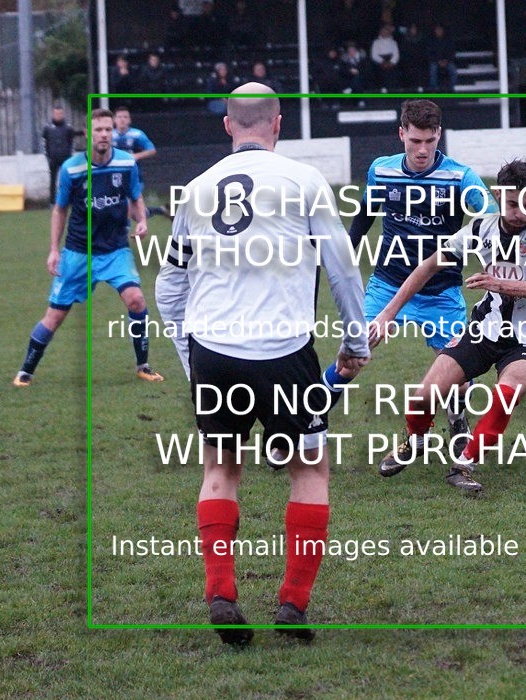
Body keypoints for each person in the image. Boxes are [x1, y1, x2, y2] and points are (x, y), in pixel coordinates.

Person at [154, 83, 370, 644]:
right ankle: (293, 606)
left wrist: (190, 358)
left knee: (220, 470)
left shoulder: (197, 190)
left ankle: (221, 592)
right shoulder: (304, 181)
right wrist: (356, 343)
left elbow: (169, 287)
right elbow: (343, 270)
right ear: (278, 124)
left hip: (214, 354)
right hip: (285, 355)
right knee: (310, 471)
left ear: (228, 126)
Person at [307, 100, 498, 466]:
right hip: (386, 285)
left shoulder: (460, 177)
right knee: (351, 358)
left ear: (439, 134)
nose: (422, 149)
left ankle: (457, 422)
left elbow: (488, 216)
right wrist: (342, 263)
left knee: (459, 372)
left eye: (429, 140)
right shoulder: (382, 170)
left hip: (441, 291)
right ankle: (308, 420)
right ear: (401, 134)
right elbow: (363, 217)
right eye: (414, 141)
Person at [370, 160, 526, 494]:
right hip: (484, 330)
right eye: (513, 204)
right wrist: (388, 312)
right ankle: (415, 440)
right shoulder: (481, 229)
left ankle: (464, 464)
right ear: (498, 195)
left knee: (506, 394)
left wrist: (500, 284)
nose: (521, 213)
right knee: (421, 399)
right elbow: (427, 267)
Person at [13, 109, 163, 387]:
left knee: (136, 300)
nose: (104, 134)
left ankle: (143, 365)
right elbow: (60, 210)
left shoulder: (126, 163)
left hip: (116, 250)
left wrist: (141, 221)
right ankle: (26, 371)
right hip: (78, 254)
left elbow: (135, 198)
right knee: (55, 316)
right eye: (99, 130)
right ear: (89, 135)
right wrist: (54, 250)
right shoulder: (72, 169)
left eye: (108, 129)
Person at [112, 108, 167, 217]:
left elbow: (152, 150)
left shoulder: (137, 134)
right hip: (113, 177)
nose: (122, 120)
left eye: (125, 117)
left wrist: (136, 156)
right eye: (119, 117)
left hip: (133, 177)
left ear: (129, 120)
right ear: (114, 120)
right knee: (128, 211)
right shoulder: (109, 135)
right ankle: (159, 210)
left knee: (126, 209)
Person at [41, 102, 77, 207]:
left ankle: (68, 200)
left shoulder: (68, 128)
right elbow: (44, 143)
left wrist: (70, 156)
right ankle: (52, 201)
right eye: (56, 113)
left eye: (60, 113)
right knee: (53, 180)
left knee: (67, 180)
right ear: (53, 114)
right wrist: (47, 156)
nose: (58, 116)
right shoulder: (47, 128)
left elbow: (72, 143)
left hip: (66, 158)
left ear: (63, 114)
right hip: (53, 159)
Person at [426, 23, 458, 91]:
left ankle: (452, 87)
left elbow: (452, 52)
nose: (439, 31)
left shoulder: (448, 39)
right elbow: (429, 53)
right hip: (435, 61)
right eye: (437, 30)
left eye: (440, 29)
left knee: (453, 70)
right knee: (432, 70)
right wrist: (438, 61)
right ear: (434, 30)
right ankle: (434, 89)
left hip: (447, 61)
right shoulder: (431, 40)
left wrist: (446, 60)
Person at [370, 23, 400, 91]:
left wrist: (392, 62)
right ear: (380, 32)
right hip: (380, 61)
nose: (385, 32)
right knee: (380, 72)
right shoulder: (376, 42)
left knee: (393, 73)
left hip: (391, 61)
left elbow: (396, 54)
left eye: (387, 31)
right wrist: (383, 62)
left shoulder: (393, 42)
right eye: (383, 31)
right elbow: (374, 55)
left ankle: (393, 90)